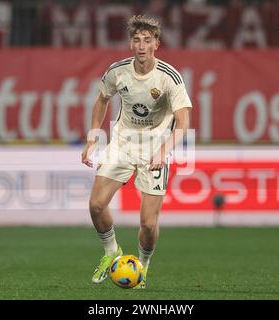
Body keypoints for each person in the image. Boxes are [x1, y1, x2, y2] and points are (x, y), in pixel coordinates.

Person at [81, 14, 192, 289]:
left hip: (155, 147)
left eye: (147, 40)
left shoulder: (169, 77)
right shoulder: (118, 71)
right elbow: (101, 99)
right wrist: (93, 137)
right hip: (123, 143)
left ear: (157, 43)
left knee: (148, 224)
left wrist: (164, 152)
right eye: (136, 39)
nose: (141, 45)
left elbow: (184, 121)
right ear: (131, 43)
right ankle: (111, 253)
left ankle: (142, 266)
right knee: (96, 205)